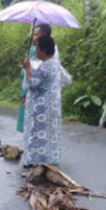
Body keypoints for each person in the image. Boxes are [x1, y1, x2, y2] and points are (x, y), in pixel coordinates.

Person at [16, 24, 71, 133]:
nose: (33, 37)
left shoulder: (47, 60)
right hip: (46, 101)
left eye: (36, 34)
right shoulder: (45, 55)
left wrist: (27, 68)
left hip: (39, 101)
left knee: (37, 131)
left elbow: (33, 82)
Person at [21, 35, 63, 167]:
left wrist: (27, 68)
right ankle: (49, 160)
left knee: (38, 134)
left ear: (44, 50)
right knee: (50, 134)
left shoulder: (44, 67)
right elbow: (63, 80)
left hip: (41, 109)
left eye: (37, 47)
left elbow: (32, 84)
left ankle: (36, 162)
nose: (35, 50)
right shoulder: (55, 64)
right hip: (53, 105)